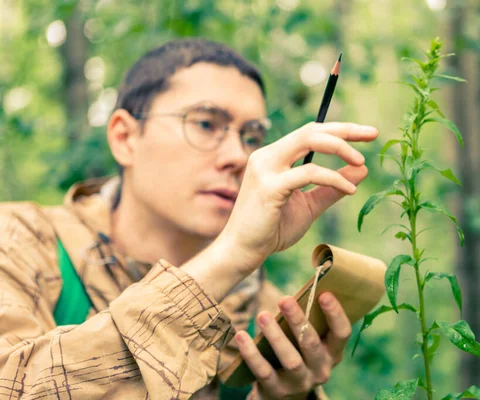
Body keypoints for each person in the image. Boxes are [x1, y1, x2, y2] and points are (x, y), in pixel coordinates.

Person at [0, 38, 378, 399]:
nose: (238, 156)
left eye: (251, 136)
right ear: (125, 138)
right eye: (206, 124)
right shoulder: (21, 242)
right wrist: (231, 255)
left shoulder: (265, 314)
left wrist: (287, 396)